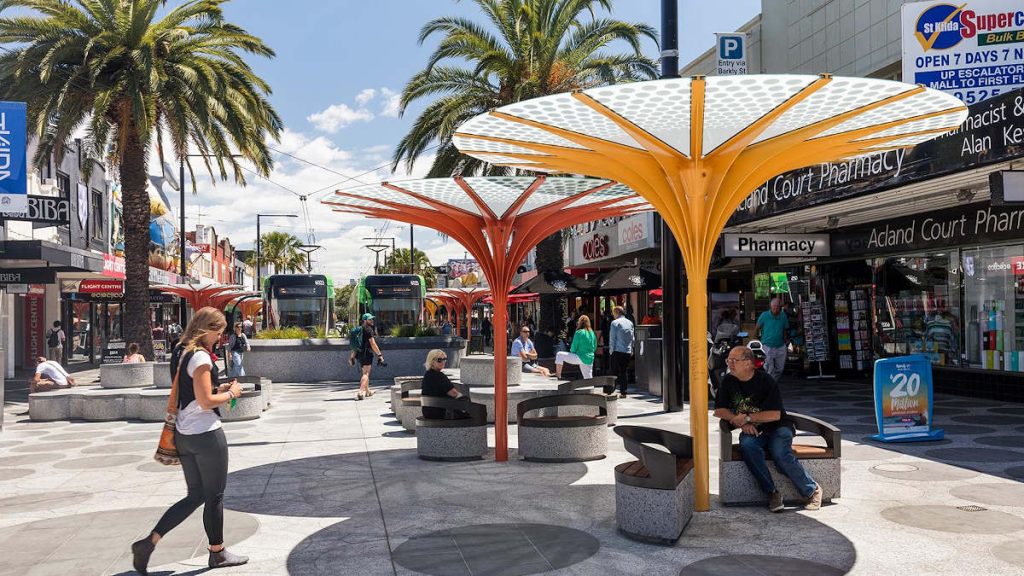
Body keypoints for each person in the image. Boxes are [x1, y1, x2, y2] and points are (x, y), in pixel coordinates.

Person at [131, 307, 247, 573]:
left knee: (195, 495)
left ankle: (149, 543)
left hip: (184, 435)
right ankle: (217, 553)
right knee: (215, 496)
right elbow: (205, 401)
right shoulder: (202, 357)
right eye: (219, 332)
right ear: (208, 329)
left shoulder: (182, 352)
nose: (220, 338)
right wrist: (233, 393)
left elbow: (193, 393)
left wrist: (218, 388)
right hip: (206, 435)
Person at [713, 346, 822, 512]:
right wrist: (741, 422)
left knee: (779, 453)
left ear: (748, 363)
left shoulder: (765, 381)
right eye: (729, 360)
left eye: (734, 360)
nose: (730, 364)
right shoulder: (728, 381)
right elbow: (719, 410)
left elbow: (775, 415)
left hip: (779, 427)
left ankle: (812, 490)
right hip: (753, 430)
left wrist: (747, 418)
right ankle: (772, 493)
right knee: (748, 446)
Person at [421, 349, 469, 419]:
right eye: (439, 360)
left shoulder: (427, 374)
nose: (443, 362)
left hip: (428, 411)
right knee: (466, 401)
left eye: (444, 359)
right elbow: (454, 393)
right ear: (432, 361)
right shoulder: (439, 376)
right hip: (440, 412)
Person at [348, 313, 384, 400]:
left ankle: (368, 391)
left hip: (360, 354)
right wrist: (379, 355)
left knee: (364, 372)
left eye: (372, 319)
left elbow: (355, 346)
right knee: (366, 373)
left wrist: (352, 357)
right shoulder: (368, 329)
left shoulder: (360, 329)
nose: (372, 321)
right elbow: (373, 343)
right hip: (367, 353)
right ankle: (361, 392)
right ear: (364, 320)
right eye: (369, 319)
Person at [756, 298, 790, 382]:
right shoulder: (764, 315)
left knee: (780, 369)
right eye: (774, 306)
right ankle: (769, 384)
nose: (776, 308)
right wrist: (757, 341)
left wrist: (786, 342)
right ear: (771, 306)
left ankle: (772, 382)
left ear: (780, 307)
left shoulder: (783, 316)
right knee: (769, 368)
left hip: (780, 345)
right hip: (767, 345)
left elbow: (785, 330)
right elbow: (757, 328)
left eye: (778, 307)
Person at [555, 315, 597, 380]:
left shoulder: (579, 332)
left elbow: (573, 347)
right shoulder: (592, 333)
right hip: (590, 358)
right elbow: (594, 347)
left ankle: (558, 376)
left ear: (579, 322)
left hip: (580, 356)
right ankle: (591, 386)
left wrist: (572, 353)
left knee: (559, 354)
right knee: (588, 379)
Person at [609, 306, 634, 397]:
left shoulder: (614, 323)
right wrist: (632, 349)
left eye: (614, 313)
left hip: (617, 350)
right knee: (624, 371)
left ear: (617, 312)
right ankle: (623, 392)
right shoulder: (630, 323)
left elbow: (612, 338)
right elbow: (632, 337)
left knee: (614, 371)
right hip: (627, 351)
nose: (613, 315)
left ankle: (611, 391)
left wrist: (611, 350)